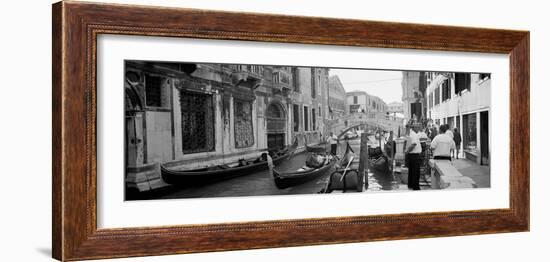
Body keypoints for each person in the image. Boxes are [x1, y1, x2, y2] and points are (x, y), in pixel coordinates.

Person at [406, 123, 422, 190]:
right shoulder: (414, 135)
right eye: (418, 127)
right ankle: (415, 187)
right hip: (414, 155)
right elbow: (413, 145)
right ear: (414, 128)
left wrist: (407, 151)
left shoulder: (411, 134)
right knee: (416, 172)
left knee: (411, 171)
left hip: (411, 155)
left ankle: (411, 185)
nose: (419, 128)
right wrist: (407, 151)